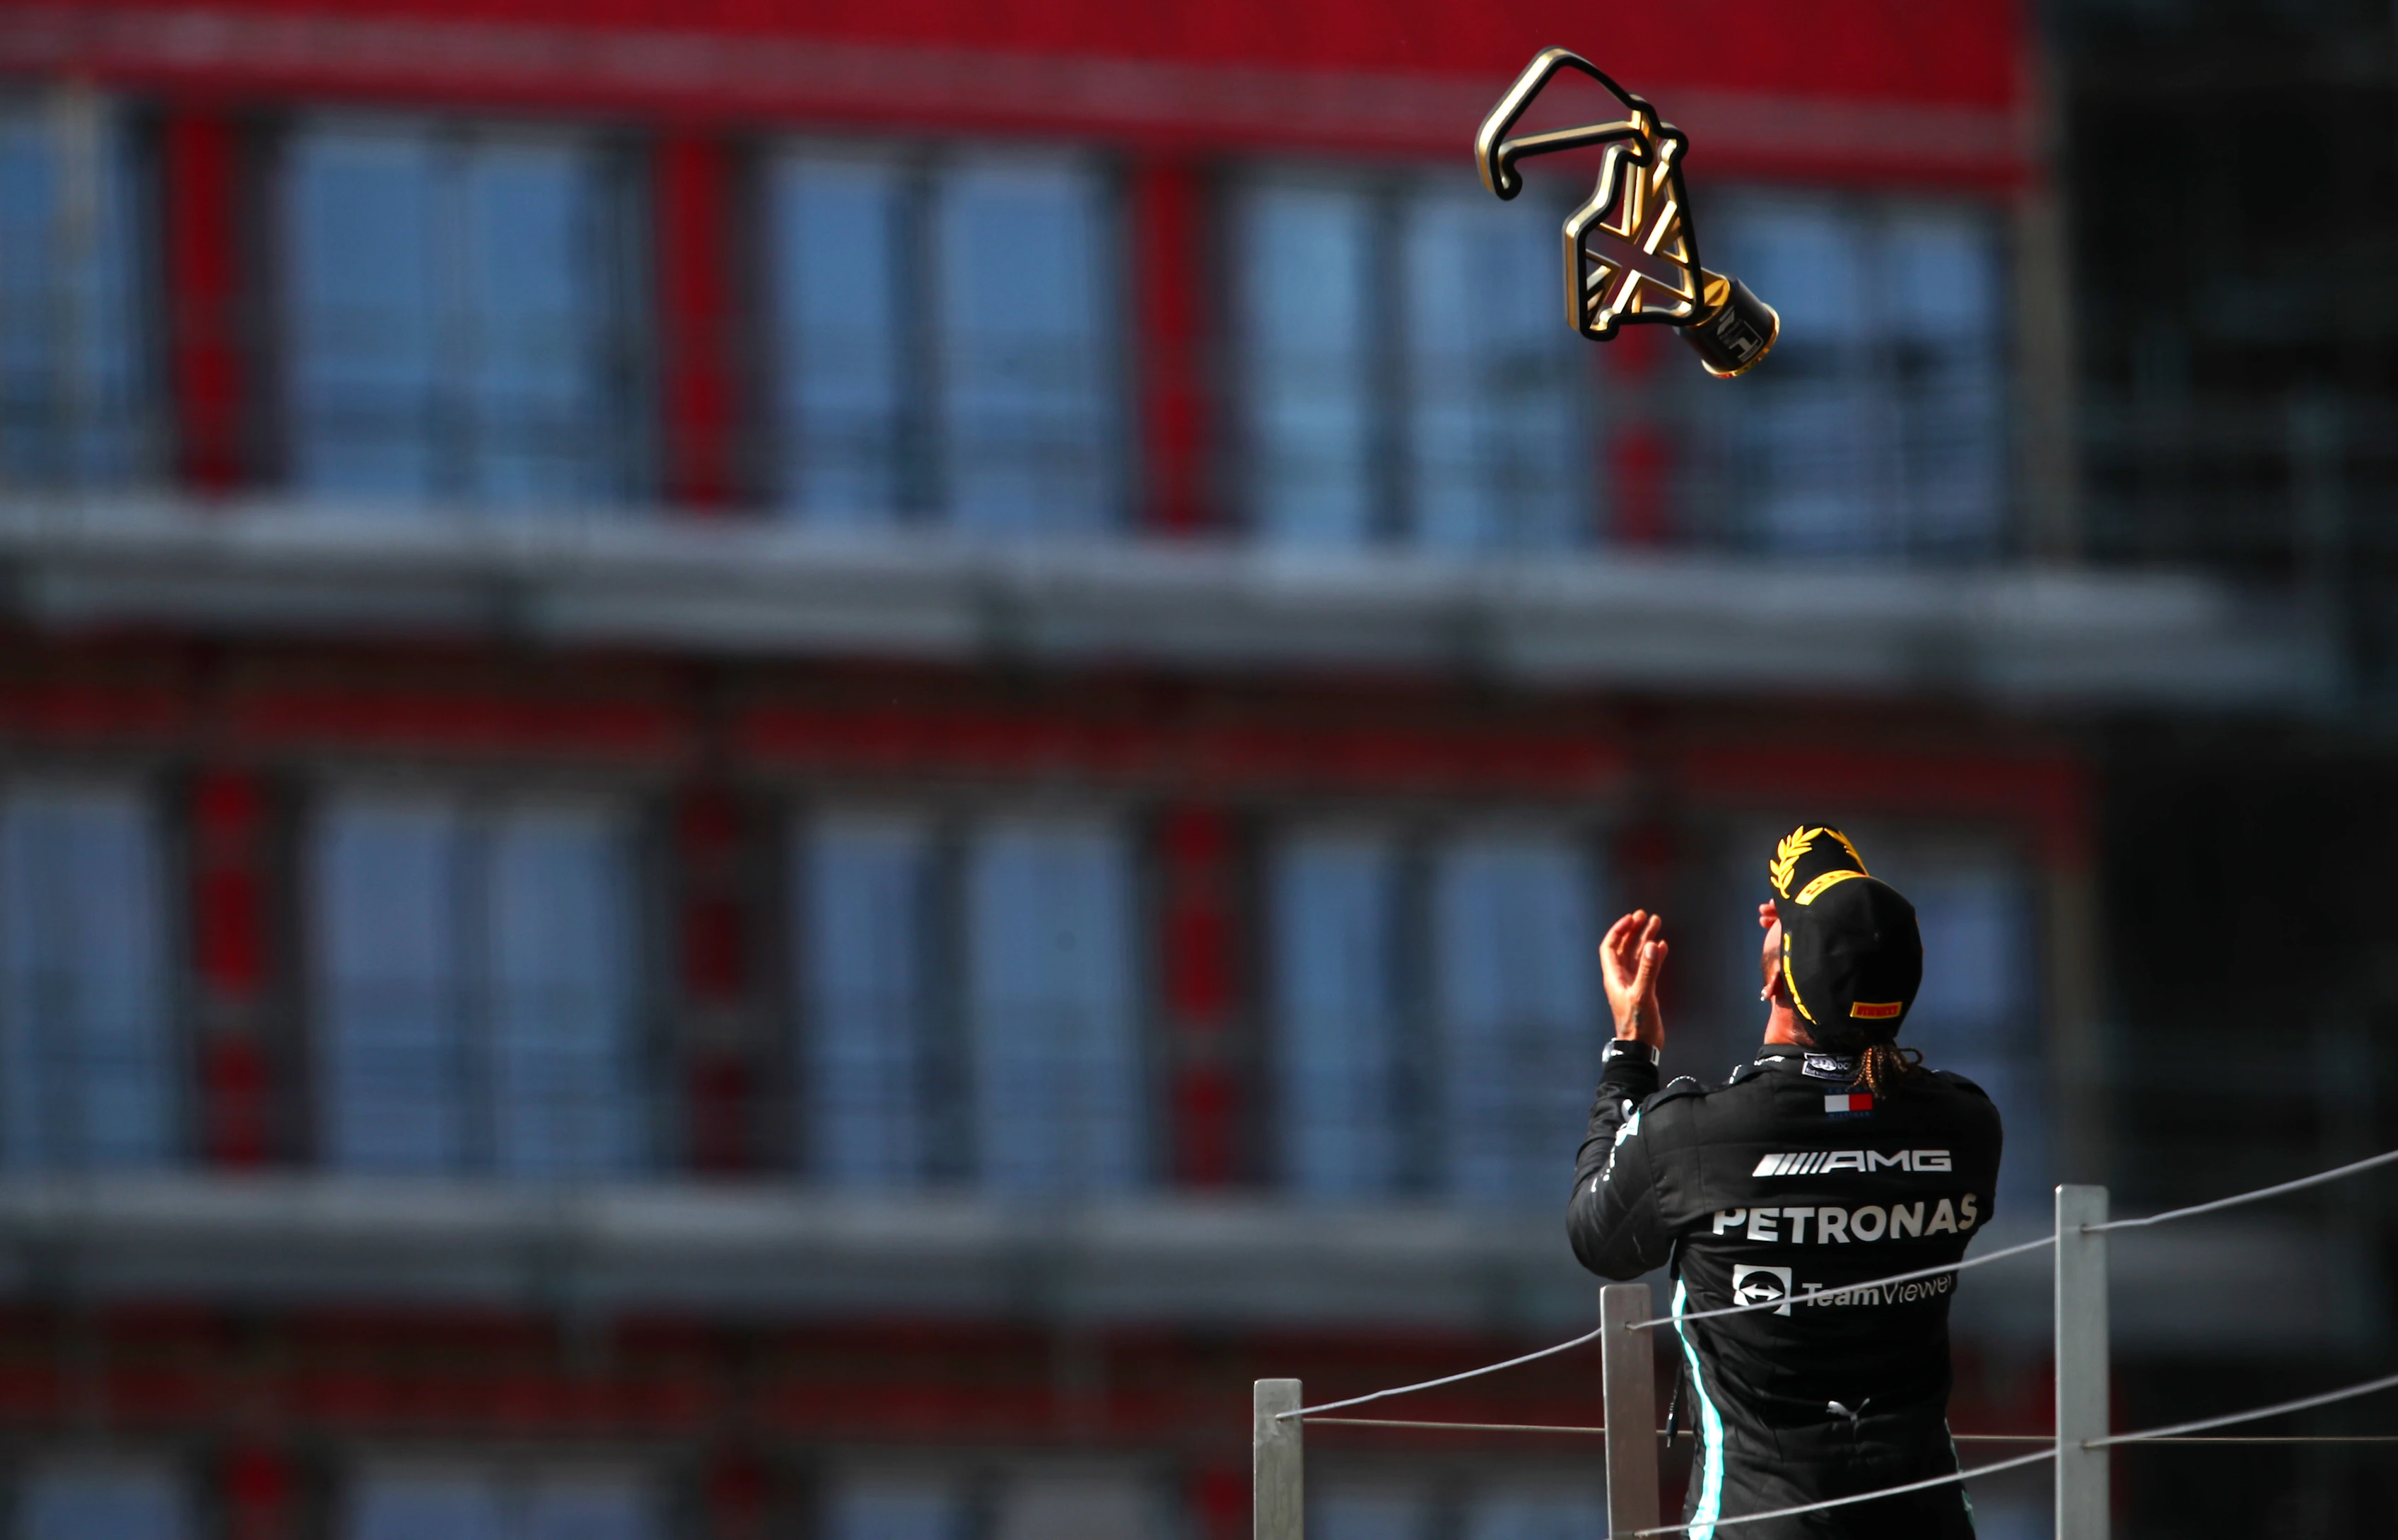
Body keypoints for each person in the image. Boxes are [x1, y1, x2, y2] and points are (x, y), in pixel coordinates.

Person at [1568, 825, 2004, 1540]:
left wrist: (1631, 1055)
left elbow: (1598, 1238)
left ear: (1774, 982)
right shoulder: (1967, 1126)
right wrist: (1827, 928)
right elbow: (1862, 1039)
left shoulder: (1692, 1134)